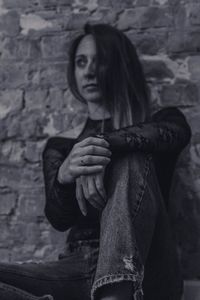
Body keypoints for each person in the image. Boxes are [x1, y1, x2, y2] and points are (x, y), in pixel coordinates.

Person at [0, 23, 191, 300]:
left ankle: (117, 291)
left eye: (100, 62)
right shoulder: (61, 145)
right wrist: (65, 174)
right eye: (81, 62)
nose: (89, 71)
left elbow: (176, 134)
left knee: (131, 156)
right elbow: (59, 218)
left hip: (149, 265)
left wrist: (98, 145)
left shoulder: (162, 122)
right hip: (78, 266)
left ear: (120, 66)